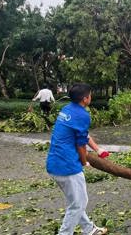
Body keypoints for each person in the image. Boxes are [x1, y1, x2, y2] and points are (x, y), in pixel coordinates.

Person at [46, 83, 107, 235]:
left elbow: (82, 135)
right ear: (85, 99)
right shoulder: (83, 115)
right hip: (67, 166)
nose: (91, 97)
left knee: (75, 201)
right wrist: (84, 161)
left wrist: (98, 149)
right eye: (90, 95)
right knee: (79, 203)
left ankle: (89, 229)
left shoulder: (67, 109)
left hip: (54, 163)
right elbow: (80, 144)